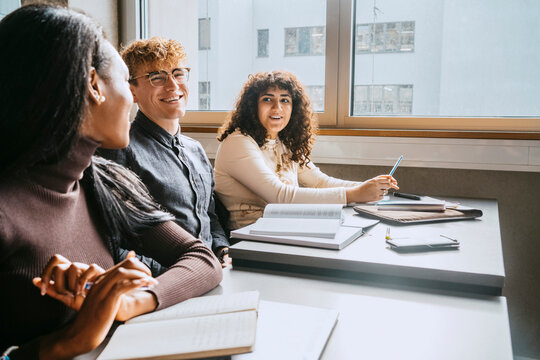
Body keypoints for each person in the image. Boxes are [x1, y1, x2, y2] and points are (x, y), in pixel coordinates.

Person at [0, 5, 222, 359]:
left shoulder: (102, 181)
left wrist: (129, 300)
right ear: (93, 86)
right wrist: (67, 342)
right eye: (125, 81)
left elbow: (201, 257)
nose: (131, 99)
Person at [98, 37, 231, 267]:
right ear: (132, 92)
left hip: (215, 272)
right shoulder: (120, 150)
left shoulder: (195, 150)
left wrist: (222, 250)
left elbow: (210, 216)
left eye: (178, 73)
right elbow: (111, 240)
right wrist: (170, 274)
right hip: (168, 282)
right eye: (156, 77)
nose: (173, 85)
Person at [214, 71, 399, 229]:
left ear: (293, 109)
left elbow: (320, 182)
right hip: (247, 239)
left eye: (285, 100)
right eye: (267, 99)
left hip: (283, 229)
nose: (277, 107)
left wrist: (369, 186)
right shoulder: (238, 142)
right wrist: (355, 194)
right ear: (252, 107)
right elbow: (279, 196)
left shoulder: (283, 142)